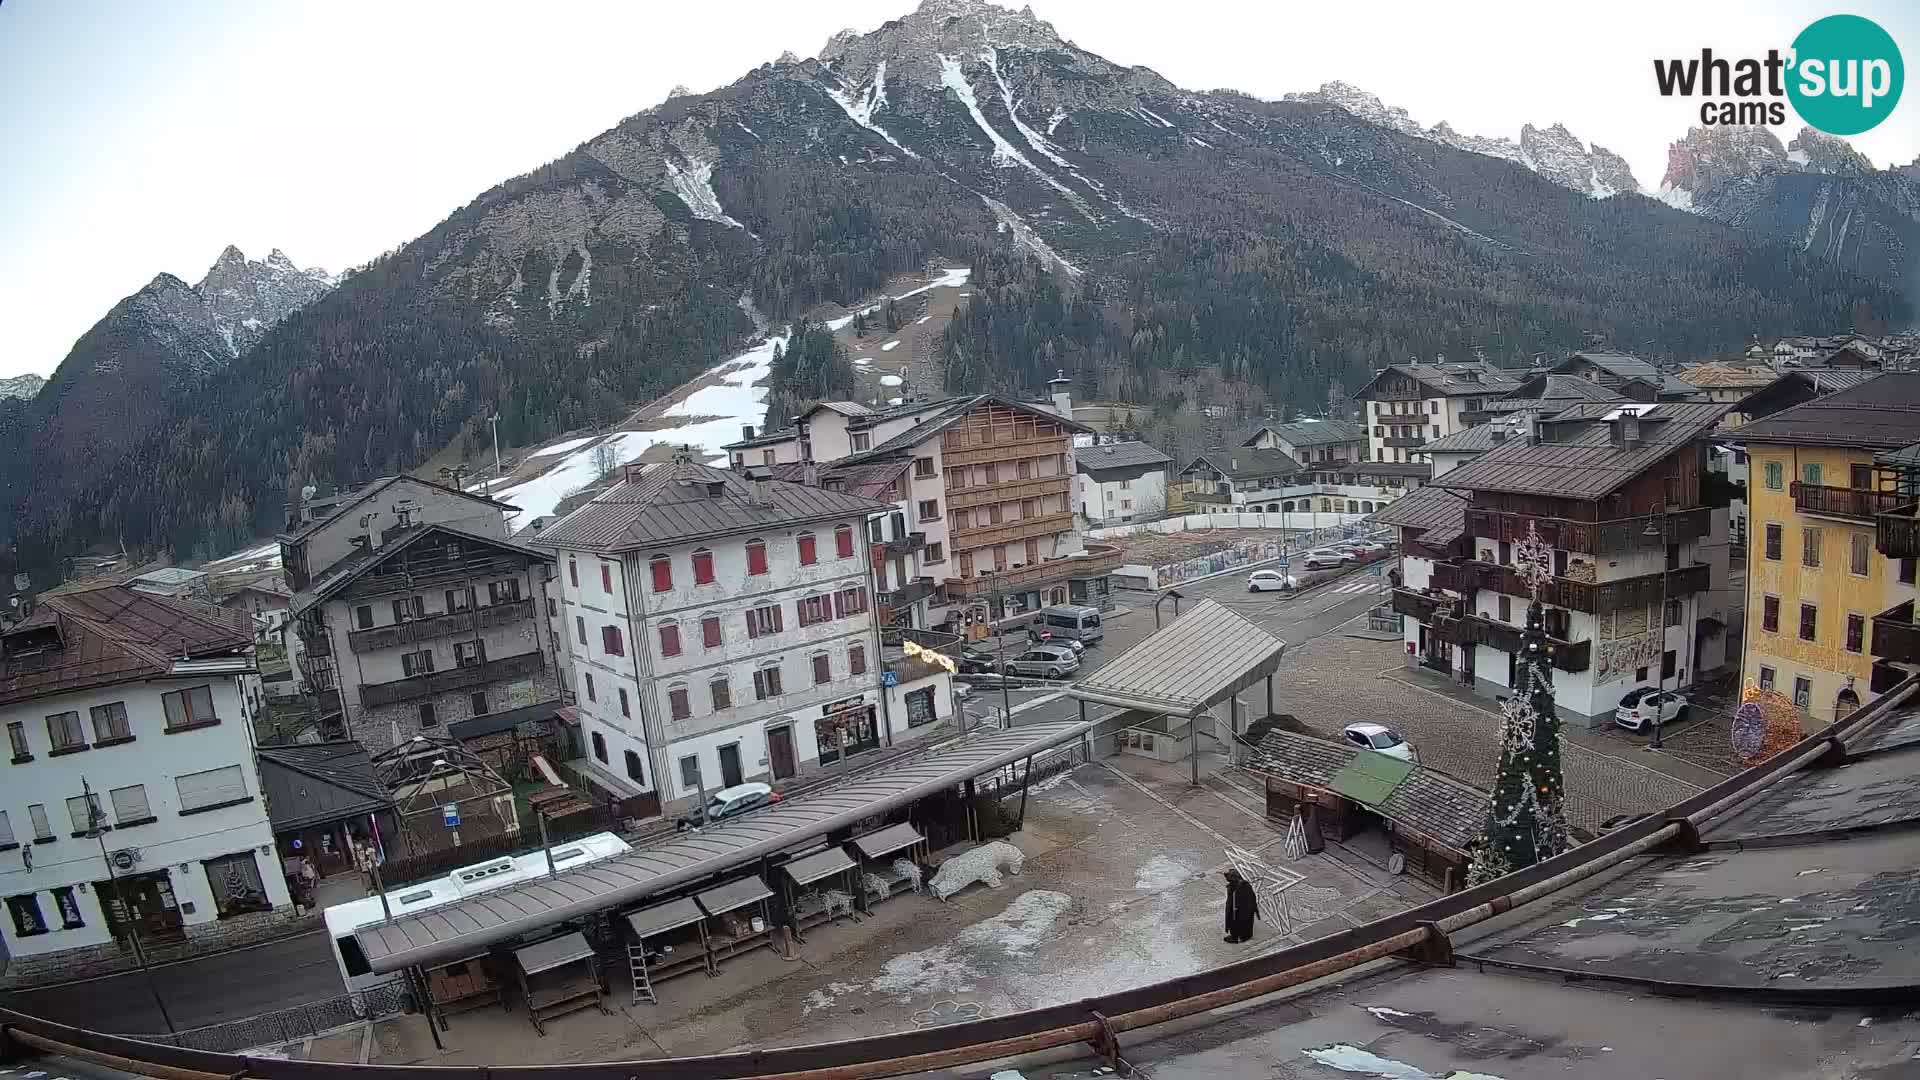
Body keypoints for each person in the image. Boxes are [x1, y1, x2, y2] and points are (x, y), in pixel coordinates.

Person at [1223, 868, 1258, 943]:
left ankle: (1235, 937)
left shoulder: (1235, 888)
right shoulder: (1246, 885)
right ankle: (1246, 936)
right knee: (1246, 922)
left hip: (1237, 910)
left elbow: (1232, 903)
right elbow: (1252, 897)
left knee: (1234, 922)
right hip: (1246, 910)